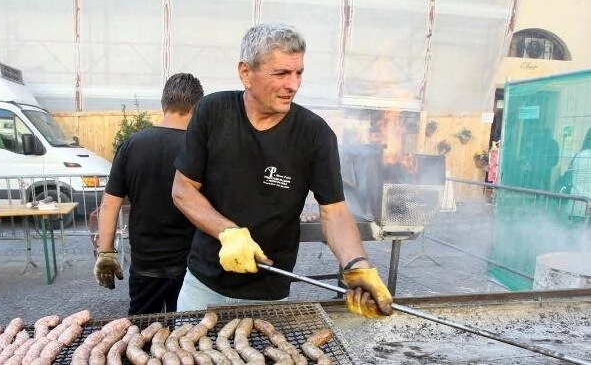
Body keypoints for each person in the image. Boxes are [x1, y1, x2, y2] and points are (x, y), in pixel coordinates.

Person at [170, 23, 393, 318]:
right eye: (281, 74)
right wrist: (229, 232)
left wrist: (356, 265)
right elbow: (183, 189)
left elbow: (334, 212)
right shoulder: (213, 112)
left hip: (269, 293)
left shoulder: (315, 134)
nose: (294, 85)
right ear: (246, 73)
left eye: (298, 72)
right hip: (203, 283)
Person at [93, 72, 204, 315]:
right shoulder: (199, 148)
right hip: (190, 265)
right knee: (187, 335)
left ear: (164, 104)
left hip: (146, 265)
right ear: (196, 107)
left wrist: (106, 252)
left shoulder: (132, 145)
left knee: (141, 336)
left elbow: (110, 205)